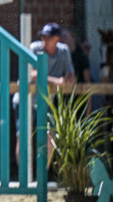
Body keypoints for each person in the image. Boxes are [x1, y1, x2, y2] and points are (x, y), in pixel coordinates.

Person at [14, 22, 75, 164]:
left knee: (50, 136)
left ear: (57, 39)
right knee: (23, 137)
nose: (44, 41)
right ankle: (24, 179)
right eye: (42, 37)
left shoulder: (64, 51)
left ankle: (43, 176)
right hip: (25, 99)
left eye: (48, 38)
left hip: (46, 101)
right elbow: (31, 74)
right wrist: (56, 81)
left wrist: (65, 79)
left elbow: (70, 77)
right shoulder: (35, 48)